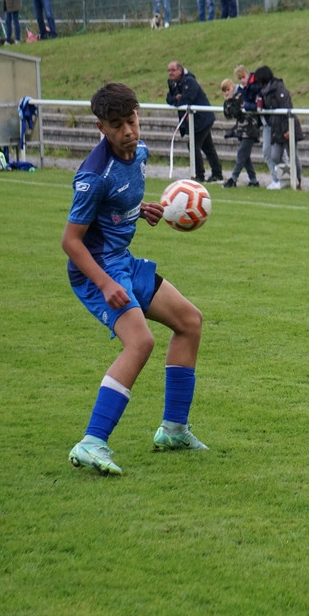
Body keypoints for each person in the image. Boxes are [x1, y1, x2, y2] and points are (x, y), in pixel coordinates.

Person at [63, 82, 208, 476]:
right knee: (141, 341)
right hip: (97, 271)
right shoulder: (94, 175)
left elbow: (116, 205)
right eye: (117, 125)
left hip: (122, 262)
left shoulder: (138, 152)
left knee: (189, 322)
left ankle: (174, 430)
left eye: (131, 120)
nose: (127, 131)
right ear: (101, 128)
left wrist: (140, 210)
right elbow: (71, 242)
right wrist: (106, 284)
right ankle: (92, 442)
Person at [166, 61, 223, 183]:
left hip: (202, 118)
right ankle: (217, 173)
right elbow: (169, 99)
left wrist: (178, 100)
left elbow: (187, 99)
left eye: (173, 70)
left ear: (180, 70)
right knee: (207, 147)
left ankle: (199, 175)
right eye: (169, 70)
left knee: (193, 145)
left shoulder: (190, 81)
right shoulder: (173, 83)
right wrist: (176, 98)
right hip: (195, 120)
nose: (170, 73)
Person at [255, 65, 303, 191]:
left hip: (287, 127)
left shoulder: (280, 89)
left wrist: (287, 129)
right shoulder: (264, 92)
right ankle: (286, 178)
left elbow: (287, 108)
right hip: (276, 128)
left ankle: (298, 180)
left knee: (292, 155)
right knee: (275, 156)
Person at [219, 78, 262, 188]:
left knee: (241, 153)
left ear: (233, 88)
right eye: (224, 91)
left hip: (250, 128)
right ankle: (253, 180)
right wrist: (228, 101)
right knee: (245, 157)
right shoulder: (232, 99)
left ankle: (233, 178)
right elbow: (228, 115)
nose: (226, 93)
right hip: (242, 130)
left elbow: (236, 112)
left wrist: (230, 101)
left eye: (228, 90)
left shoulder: (240, 96)